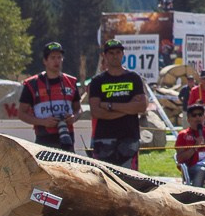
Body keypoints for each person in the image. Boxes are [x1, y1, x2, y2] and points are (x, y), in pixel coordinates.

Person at [84, 40, 149, 169]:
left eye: (118, 52)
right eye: (111, 53)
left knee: (130, 180)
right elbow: (96, 112)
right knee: (105, 180)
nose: (115, 56)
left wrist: (109, 106)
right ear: (105, 56)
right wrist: (128, 108)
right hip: (104, 139)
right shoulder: (97, 81)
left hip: (129, 137)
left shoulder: (133, 78)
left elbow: (141, 106)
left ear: (123, 54)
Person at [18, 42, 82, 151]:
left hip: (67, 137)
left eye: (59, 57)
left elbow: (78, 109)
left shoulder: (71, 81)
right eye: (52, 58)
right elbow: (21, 113)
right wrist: (43, 122)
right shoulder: (32, 84)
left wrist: (73, 117)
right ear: (45, 61)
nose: (57, 61)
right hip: (44, 137)